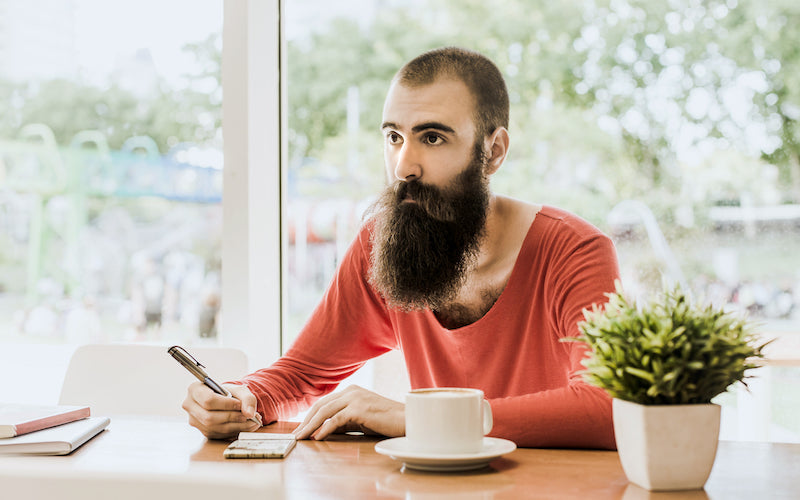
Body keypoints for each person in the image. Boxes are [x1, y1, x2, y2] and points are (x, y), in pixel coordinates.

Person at [182, 47, 620, 449]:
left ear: (493, 152)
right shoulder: (383, 242)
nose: (403, 167)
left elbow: (606, 407)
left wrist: (422, 418)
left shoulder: (575, 251)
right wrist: (241, 399)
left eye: (432, 138)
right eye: (394, 137)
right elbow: (302, 374)